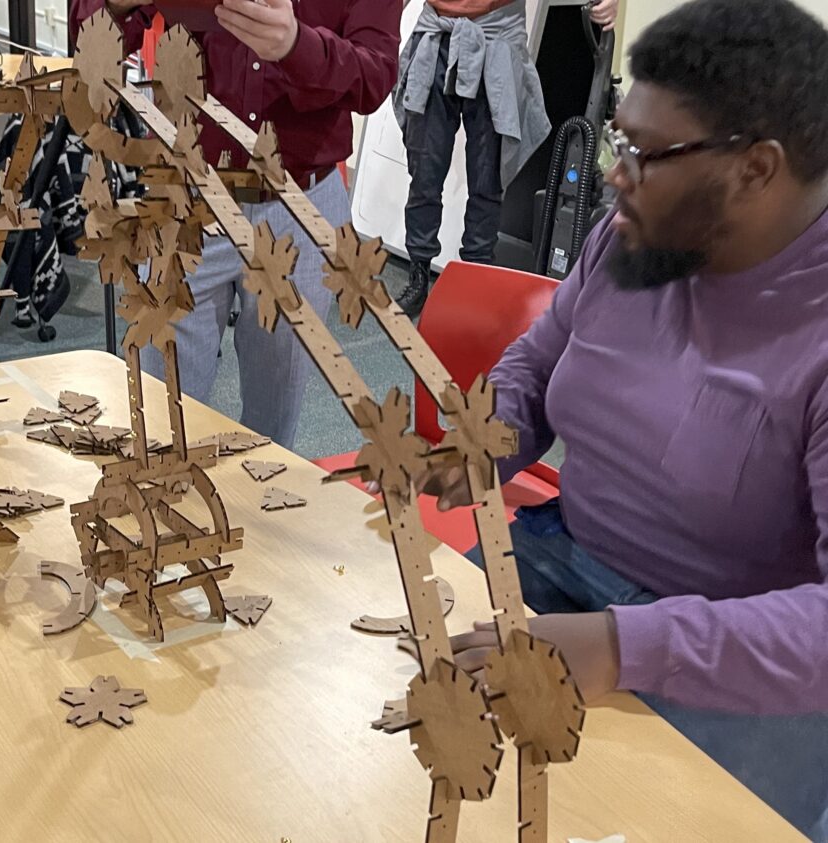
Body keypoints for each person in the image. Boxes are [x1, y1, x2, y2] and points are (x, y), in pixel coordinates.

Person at [416, 0, 828, 837]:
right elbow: (544, 356)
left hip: (730, 654)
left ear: (756, 168)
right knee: (419, 728)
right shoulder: (637, 234)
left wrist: (620, 646)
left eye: (642, 152)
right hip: (564, 561)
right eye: (617, 138)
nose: (613, 170)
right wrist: (488, 434)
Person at [69, 0, 402, 449]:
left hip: (299, 205)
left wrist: (296, 46)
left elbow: (375, 76)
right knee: (161, 422)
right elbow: (90, 42)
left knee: (272, 428)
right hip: (187, 197)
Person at [392, 0, 617, 317]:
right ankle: (418, 272)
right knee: (425, 173)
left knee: (489, 179)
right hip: (436, 33)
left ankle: (474, 282)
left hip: (498, 35)